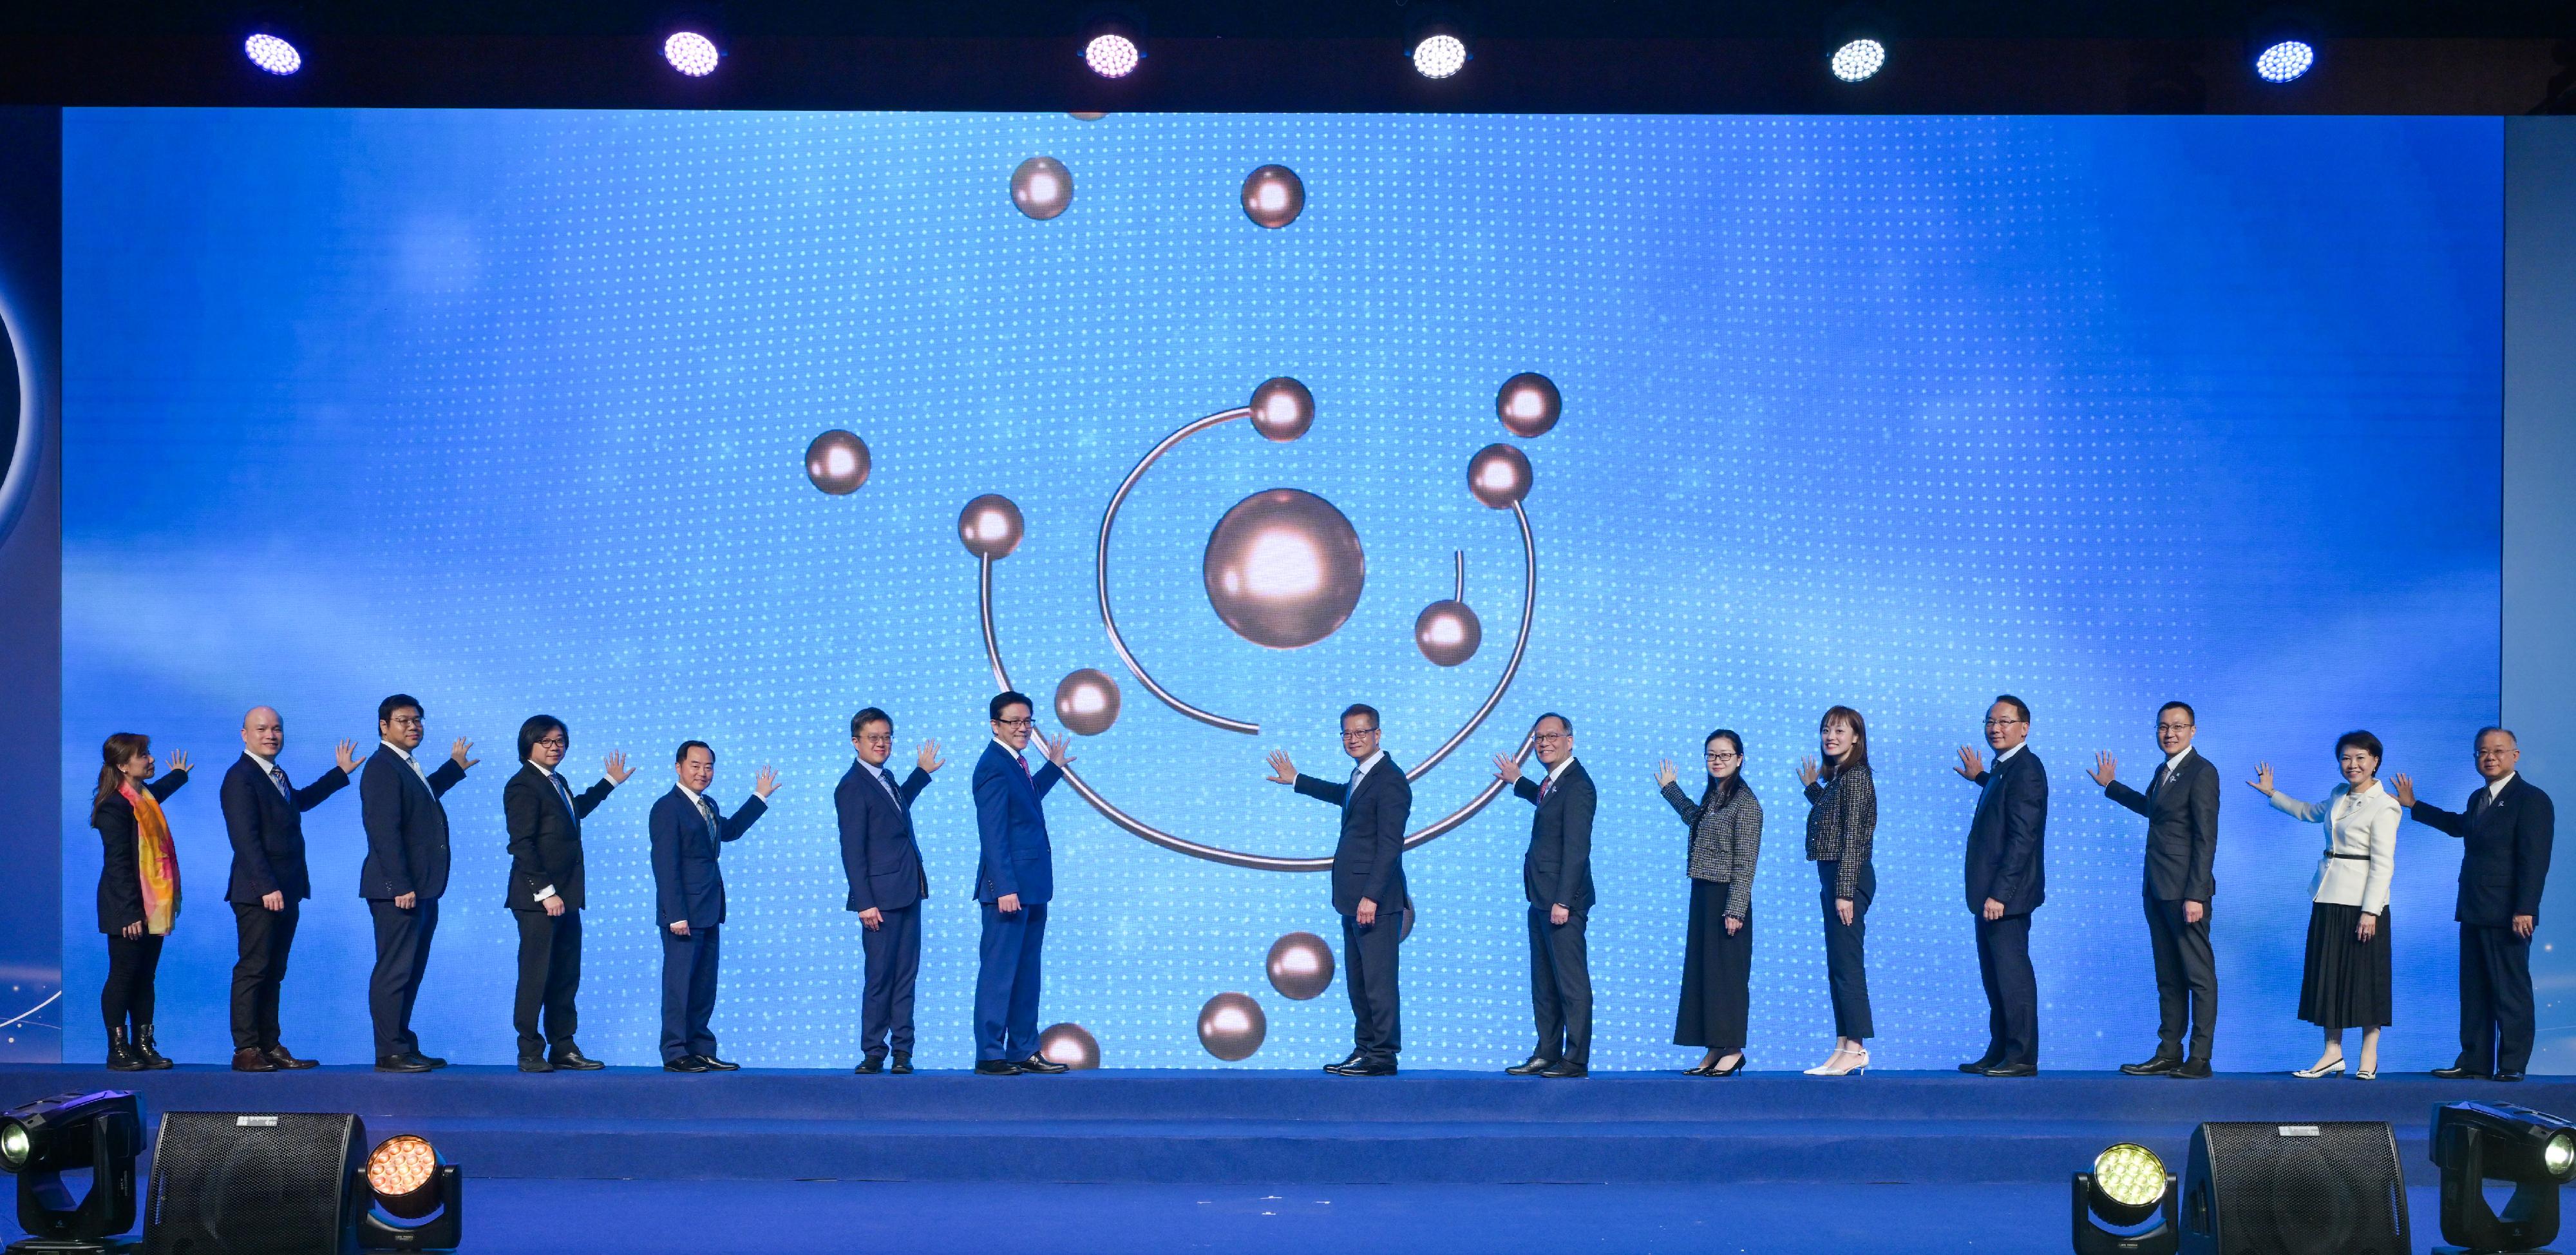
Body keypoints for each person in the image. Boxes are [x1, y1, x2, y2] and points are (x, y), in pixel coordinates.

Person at [2398, 728, 2555, 1082]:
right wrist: (2414, 806)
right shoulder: (2477, 798)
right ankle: (2475, 1060)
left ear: (2516, 755)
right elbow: (2459, 827)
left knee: (2510, 989)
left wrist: (2525, 908)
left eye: (2498, 751)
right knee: (2475, 989)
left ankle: (2512, 1064)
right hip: (2473, 907)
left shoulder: (2531, 799)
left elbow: (2535, 860)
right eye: (2483, 752)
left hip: (2508, 912)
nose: (2490, 757)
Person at [1267, 703, 1413, 1077]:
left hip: (1374, 902)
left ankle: (1383, 1055)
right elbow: (1341, 795)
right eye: (1347, 733)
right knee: (1359, 981)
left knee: (1378, 982)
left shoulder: (1391, 779)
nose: (1353, 739)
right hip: (1352, 899)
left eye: (1361, 732)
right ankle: (1365, 1049)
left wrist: (1373, 896)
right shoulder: (1361, 775)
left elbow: (1390, 844)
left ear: (1378, 735)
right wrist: (1297, 779)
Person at [218, 707, 361, 1072]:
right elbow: (245, 840)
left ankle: (269, 1044)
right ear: (244, 734)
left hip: (286, 888)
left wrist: (339, 774)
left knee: (274, 969)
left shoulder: (274, 774)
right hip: (258, 892)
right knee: (254, 968)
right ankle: (246, 1048)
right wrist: (266, 886)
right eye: (262, 729)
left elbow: (299, 802)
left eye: (277, 729)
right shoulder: (241, 777)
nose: (271, 735)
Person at [2251, 731, 2398, 1079]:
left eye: (2361, 758)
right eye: (2346, 758)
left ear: (2375, 760)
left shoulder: (2386, 805)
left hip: (2363, 903)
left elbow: (2383, 863)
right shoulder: (2337, 795)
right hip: (2328, 895)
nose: (2353, 765)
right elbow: (2307, 812)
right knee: (2328, 976)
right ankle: (2332, 1053)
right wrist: (2273, 793)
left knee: (2367, 978)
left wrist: (2370, 911)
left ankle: (2369, 1055)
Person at [2089, 700, 2220, 1079]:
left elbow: (2205, 837)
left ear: (2193, 731)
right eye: (2163, 727)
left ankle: (2200, 1057)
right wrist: (2112, 787)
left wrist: (2196, 894)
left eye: (2178, 727)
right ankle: (2169, 1052)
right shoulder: (2164, 771)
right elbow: (2155, 811)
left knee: (2198, 975)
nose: (2169, 734)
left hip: (2186, 892)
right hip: (2158, 886)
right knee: (2168, 975)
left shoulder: (2202, 771)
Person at [502, 715, 631, 1073]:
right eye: (546, 741)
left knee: (565, 975)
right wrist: (546, 892)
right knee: (536, 975)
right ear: (528, 744)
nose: (555, 747)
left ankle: (564, 1047)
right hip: (539, 900)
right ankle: (530, 1051)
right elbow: (522, 845)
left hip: (567, 897)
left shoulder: (558, 782)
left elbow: (575, 813)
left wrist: (608, 783)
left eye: (560, 741)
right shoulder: (522, 785)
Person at [359, 694, 476, 1073]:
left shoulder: (405, 766)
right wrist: (399, 885)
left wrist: (454, 768)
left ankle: (402, 1043)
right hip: (399, 891)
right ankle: (389, 1050)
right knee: (394, 969)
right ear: (384, 726)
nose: (413, 726)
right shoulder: (381, 767)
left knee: (410, 969)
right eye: (404, 720)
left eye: (418, 720)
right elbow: (383, 831)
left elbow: (420, 801)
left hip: (421, 889)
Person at [650, 740, 778, 1073]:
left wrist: (759, 796)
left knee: (705, 984)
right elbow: (665, 865)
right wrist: (674, 914)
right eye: (695, 765)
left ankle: (701, 1048)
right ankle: (675, 1051)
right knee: (679, 985)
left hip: (709, 909)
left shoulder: (707, 805)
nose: (702, 773)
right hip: (683, 915)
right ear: (678, 767)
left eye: (708, 767)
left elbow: (730, 831)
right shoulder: (667, 808)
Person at [970, 691, 1074, 1077]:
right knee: (999, 974)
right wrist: (1004, 886)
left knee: (1027, 972)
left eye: (1028, 721)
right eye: (1014, 722)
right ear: (995, 725)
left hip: (1031, 887)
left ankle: (1024, 1049)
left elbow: (1025, 805)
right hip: (1008, 890)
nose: (1022, 728)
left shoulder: (1016, 763)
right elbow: (993, 832)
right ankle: (991, 1054)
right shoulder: (992, 766)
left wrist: (1053, 769)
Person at [837, 707, 943, 1075]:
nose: (882, 744)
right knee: (880, 977)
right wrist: (864, 903)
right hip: (878, 901)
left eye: (886, 737)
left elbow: (894, 812)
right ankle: (873, 1052)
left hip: (908, 891)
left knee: (905, 976)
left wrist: (921, 774)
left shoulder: (887, 778)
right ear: (856, 743)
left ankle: (903, 1051)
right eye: (874, 738)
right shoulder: (851, 786)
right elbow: (852, 850)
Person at [1494, 713, 1595, 1078]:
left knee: (1570, 983)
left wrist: (1564, 901)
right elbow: (1545, 802)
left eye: (1552, 737)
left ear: (1570, 740)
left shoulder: (1579, 785)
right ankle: (1547, 1051)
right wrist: (1518, 781)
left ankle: (1575, 1059)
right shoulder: (1555, 783)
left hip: (1562, 902)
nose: (1544, 744)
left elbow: (1577, 849)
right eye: (1538, 738)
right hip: (1541, 898)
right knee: (1544, 983)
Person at [1955, 694, 2048, 1078]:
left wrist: (2001, 894)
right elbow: (2004, 800)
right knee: (1995, 978)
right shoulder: (2004, 769)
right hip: (1989, 895)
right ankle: (2000, 1049)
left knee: (2012, 977)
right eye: (1990, 722)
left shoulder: (2026, 768)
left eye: (2005, 722)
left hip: (2006, 897)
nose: (1996, 728)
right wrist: (1980, 777)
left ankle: (2021, 1056)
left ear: (2024, 728)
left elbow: (2022, 838)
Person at [1660, 729, 1760, 1077]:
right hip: (1703, 893)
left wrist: (1735, 909)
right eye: (1711, 755)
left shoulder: (1745, 803)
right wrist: (1670, 790)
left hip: (1726, 897)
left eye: (1724, 755)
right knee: (1706, 974)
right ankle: (1714, 1047)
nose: (1717, 761)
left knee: (1727, 976)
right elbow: (1696, 819)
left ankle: (1732, 1048)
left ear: (1740, 759)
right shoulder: (1715, 796)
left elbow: (1746, 862)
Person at [93, 733, 189, 1071]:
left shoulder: (143, 797)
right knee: (123, 976)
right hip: (127, 909)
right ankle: (117, 1049)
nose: (150, 759)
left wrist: (179, 774)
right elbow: (118, 865)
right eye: (144, 755)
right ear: (123, 765)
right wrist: (129, 913)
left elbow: (159, 790)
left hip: (152, 907)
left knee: (145, 977)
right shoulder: (114, 807)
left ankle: (144, 1045)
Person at [1798, 706, 1875, 1077]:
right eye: (1826, 730)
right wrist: (1813, 788)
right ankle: (1843, 1045)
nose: (1830, 736)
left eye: (1840, 730)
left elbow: (1856, 837)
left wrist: (1844, 890)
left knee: (1848, 966)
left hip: (1848, 878)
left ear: (1856, 737)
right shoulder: (1841, 780)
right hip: (1833, 876)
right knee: (1838, 967)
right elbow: (1834, 818)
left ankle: (1857, 1048)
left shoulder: (1858, 777)